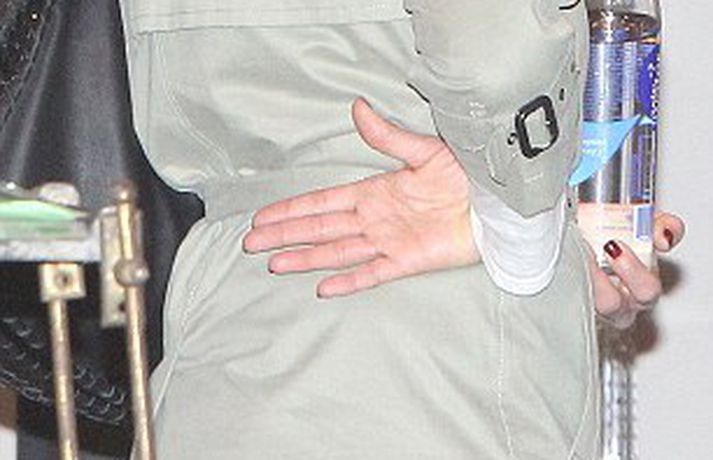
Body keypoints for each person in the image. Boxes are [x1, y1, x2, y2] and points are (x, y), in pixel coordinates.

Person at [119, 0, 684, 458]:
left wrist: (556, 228)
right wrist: (524, 226)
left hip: (227, 328)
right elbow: (493, 48)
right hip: (437, 354)